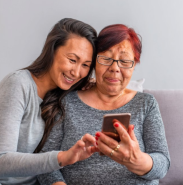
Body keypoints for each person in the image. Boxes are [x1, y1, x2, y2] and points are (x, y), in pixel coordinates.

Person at [37, 24, 170, 185]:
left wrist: (136, 160)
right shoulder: (67, 102)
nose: (115, 68)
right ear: (94, 62)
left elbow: (162, 163)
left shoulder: (146, 104)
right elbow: (46, 162)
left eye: (124, 61)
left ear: (134, 65)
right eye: (106, 59)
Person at [0, 18, 99, 185]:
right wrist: (62, 157)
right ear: (52, 51)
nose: (76, 72)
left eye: (85, 65)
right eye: (72, 60)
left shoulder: (67, 96)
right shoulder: (18, 85)